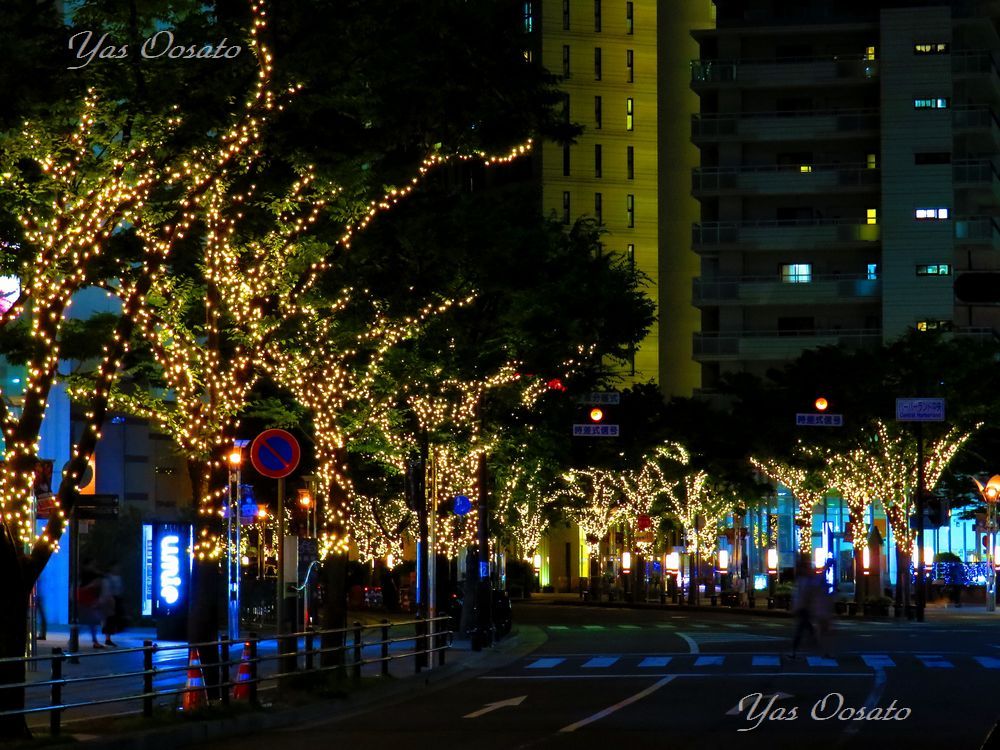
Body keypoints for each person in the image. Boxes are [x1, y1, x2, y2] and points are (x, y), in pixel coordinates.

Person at [102, 563, 125, 647]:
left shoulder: (118, 578)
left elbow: (120, 589)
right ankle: (107, 638)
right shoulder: (108, 578)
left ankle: (109, 637)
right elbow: (107, 590)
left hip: (117, 599)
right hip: (110, 599)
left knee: (113, 618)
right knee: (109, 619)